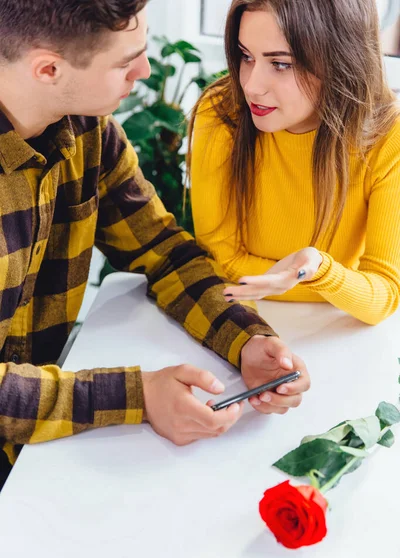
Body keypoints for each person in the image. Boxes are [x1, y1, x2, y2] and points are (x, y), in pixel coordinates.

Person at [0, 0, 310, 490]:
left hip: (39, 456)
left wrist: (248, 340)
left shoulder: (89, 134)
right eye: (126, 62)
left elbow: (164, 252)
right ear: (48, 68)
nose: (144, 71)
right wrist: (138, 397)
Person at [188, 0, 400, 326]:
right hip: (244, 321)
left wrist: (319, 270)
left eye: (281, 64)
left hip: (335, 333)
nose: (252, 86)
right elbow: (222, 259)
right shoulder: (220, 112)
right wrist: (331, 282)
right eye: (246, 56)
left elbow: (385, 294)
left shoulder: (389, 136)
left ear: (341, 60)